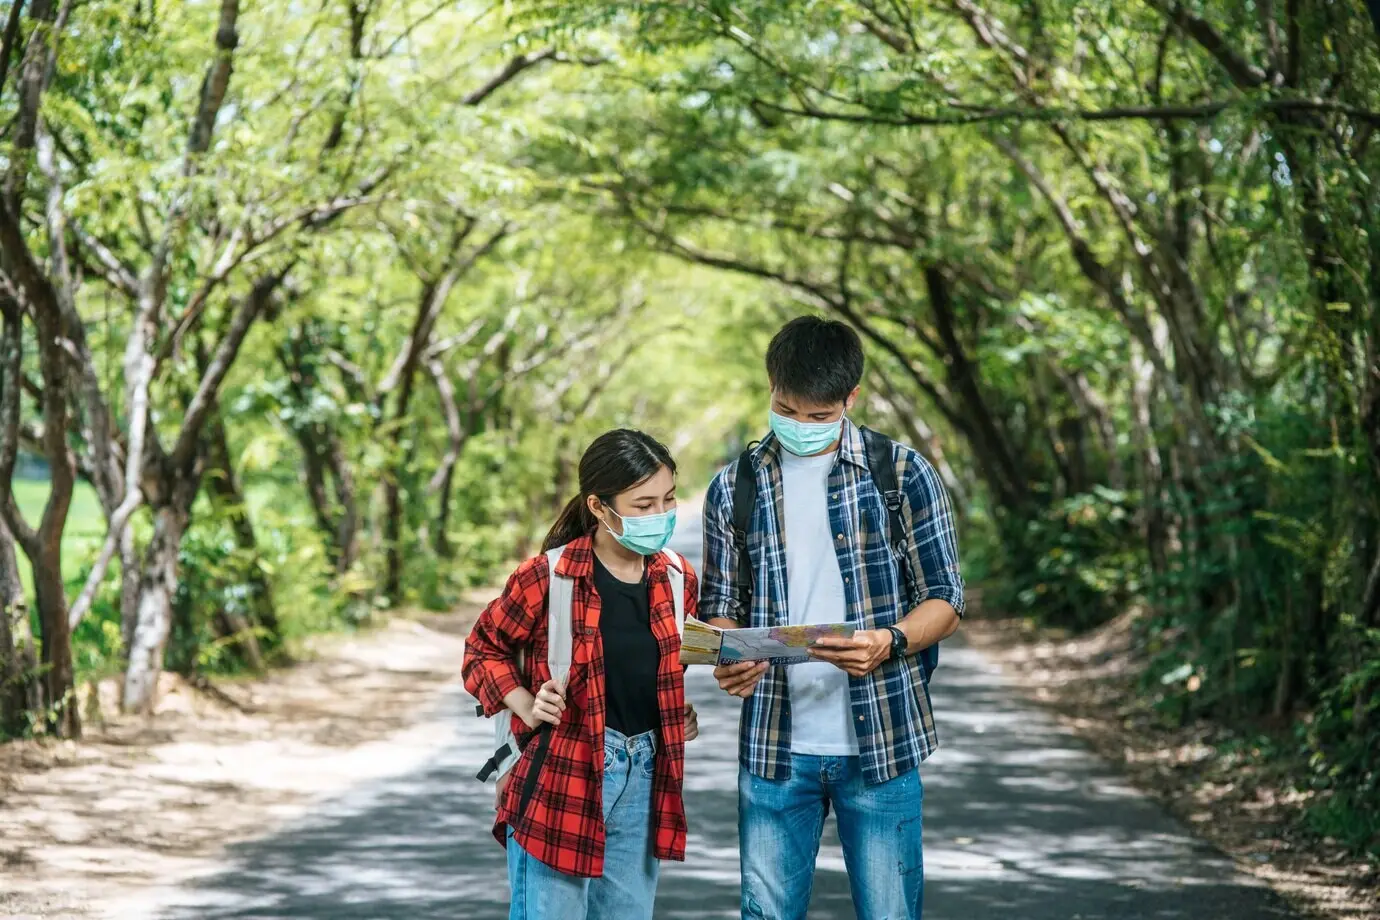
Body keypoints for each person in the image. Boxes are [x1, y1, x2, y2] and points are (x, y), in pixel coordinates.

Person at [700, 316, 965, 920]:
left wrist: (890, 641)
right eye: (787, 410)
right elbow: (721, 608)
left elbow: (946, 599)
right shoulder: (732, 487)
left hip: (882, 742)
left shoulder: (901, 474)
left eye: (819, 417)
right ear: (770, 387)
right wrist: (728, 657)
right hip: (774, 747)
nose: (800, 428)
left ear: (851, 399)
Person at [462, 429, 699, 920]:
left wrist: (676, 713)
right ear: (598, 506)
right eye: (642, 505)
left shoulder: (676, 577)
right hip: (562, 774)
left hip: (645, 777)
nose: (660, 516)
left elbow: (651, 673)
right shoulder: (547, 577)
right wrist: (526, 702)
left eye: (668, 500)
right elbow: (482, 649)